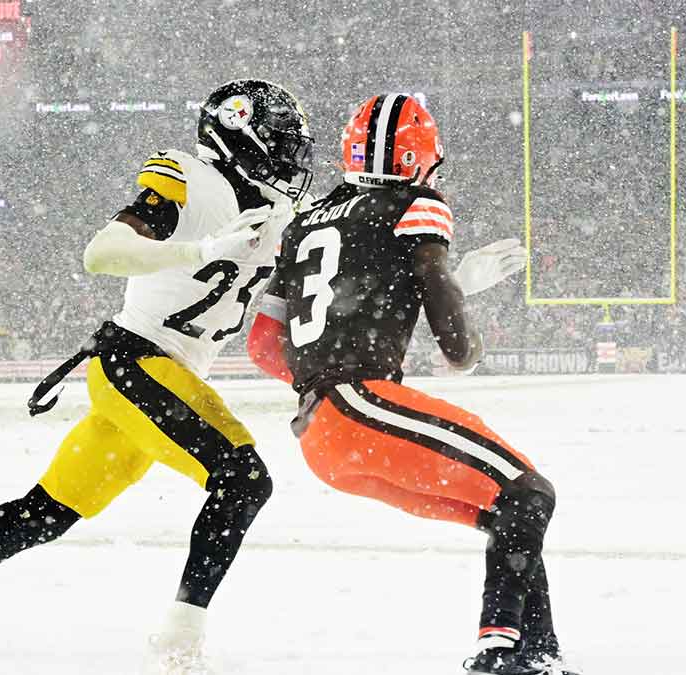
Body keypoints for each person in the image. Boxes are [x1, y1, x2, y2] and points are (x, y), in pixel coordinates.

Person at [0, 79, 312, 670]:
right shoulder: (187, 178)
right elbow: (102, 254)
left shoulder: (278, 211)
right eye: (279, 143)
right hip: (135, 362)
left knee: (43, 515)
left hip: (162, 377)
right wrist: (199, 251)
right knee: (243, 479)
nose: (288, 159)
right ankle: (181, 640)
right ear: (237, 132)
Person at [246, 94, 575, 674]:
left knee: (510, 510)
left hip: (323, 433)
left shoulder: (302, 223)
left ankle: (538, 655)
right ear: (420, 159)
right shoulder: (418, 203)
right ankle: (498, 653)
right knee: (528, 494)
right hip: (360, 403)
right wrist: (462, 336)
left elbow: (263, 346)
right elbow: (442, 311)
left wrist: (320, 384)